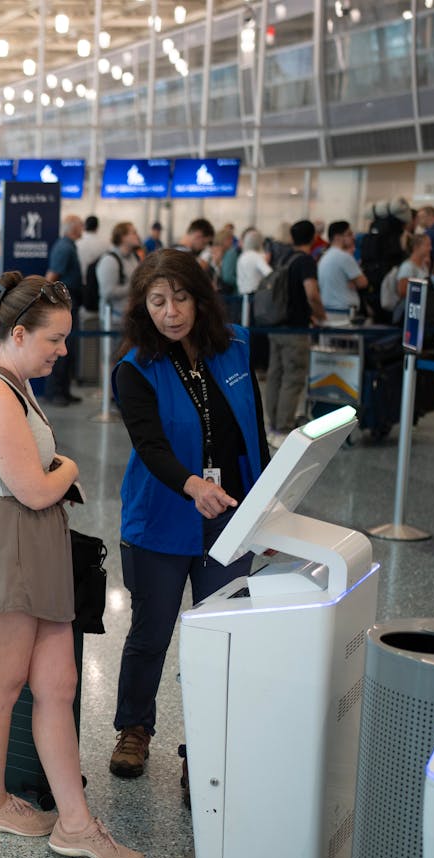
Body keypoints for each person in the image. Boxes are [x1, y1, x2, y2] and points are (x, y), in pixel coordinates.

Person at [0, 271, 144, 858]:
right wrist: (70, 468)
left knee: (57, 685)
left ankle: (77, 823)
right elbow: (36, 487)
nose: (63, 352)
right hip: (1, 541)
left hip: (35, 541)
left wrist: (57, 474)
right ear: (17, 333)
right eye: (54, 340)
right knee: (3, 685)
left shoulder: (18, 383)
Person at [108, 250, 268, 786]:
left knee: (221, 635)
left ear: (201, 299)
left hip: (229, 515)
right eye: (157, 301)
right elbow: (150, 446)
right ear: (142, 307)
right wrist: (193, 484)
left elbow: (253, 427)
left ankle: (206, 745)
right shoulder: (135, 368)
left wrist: (266, 499)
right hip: (162, 515)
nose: (170, 312)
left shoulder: (237, 346)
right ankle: (134, 728)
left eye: (180, 298)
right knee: (151, 633)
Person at [264, 221, 325, 443]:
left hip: (276, 325)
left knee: (275, 375)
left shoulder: (284, 258)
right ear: (313, 238)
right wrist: (321, 315)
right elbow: (312, 293)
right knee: (293, 378)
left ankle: (272, 425)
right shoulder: (306, 261)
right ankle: (283, 427)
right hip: (295, 330)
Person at [43, 216, 85, 405]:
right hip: (63, 305)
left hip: (71, 304)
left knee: (69, 350)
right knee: (59, 349)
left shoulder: (70, 247)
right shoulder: (64, 248)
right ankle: (55, 392)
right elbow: (51, 277)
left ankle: (64, 390)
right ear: (73, 228)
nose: (83, 229)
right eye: (80, 226)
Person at [317, 221, 368, 326]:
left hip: (329, 312)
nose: (353, 238)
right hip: (344, 314)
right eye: (349, 234)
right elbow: (363, 283)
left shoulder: (325, 256)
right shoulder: (344, 257)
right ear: (337, 237)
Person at [95, 222, 140, 322]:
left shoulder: (133, 257)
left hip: (130, 317)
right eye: (134, 233)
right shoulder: (110, 260)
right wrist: (134, 287)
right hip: (113, 320)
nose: (137, 236)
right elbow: (107, 292)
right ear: (123, 237)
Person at [235, 228, 272, 301]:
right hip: (255, 294)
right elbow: (269, 273)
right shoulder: (257, 256)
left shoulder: (242, 256)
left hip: (242, 293)